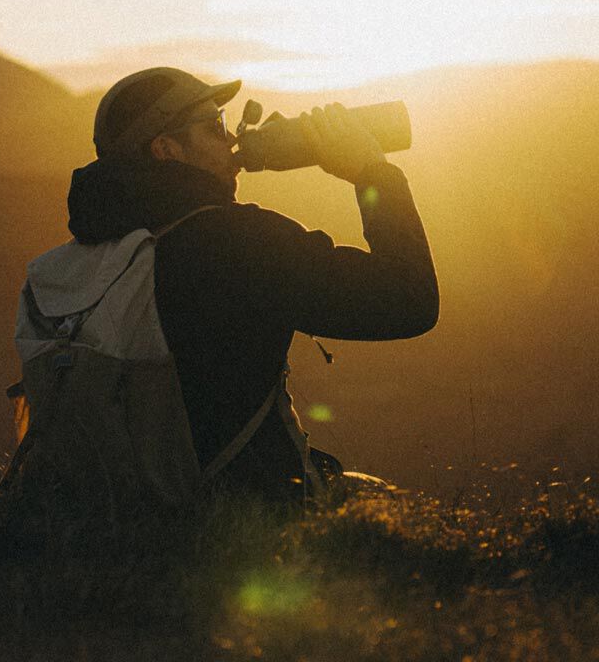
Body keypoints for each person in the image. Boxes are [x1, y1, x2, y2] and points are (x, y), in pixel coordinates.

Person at [59, 67, 439, 504]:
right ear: (166, 149)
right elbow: (408, 299)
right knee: (390, 505)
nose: (232, 140)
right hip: (242, 501)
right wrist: (372, 171)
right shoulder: (237, 244)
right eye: (214, 127)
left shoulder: (88, 255)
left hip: (119, 499)